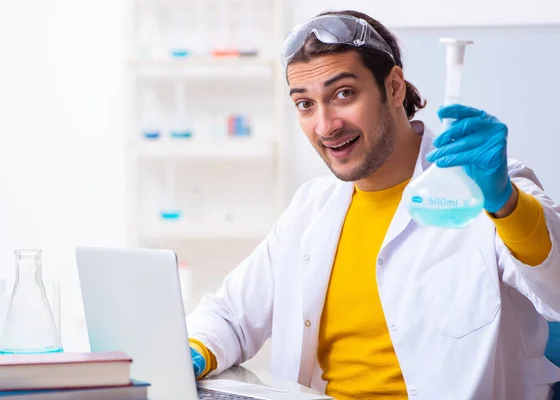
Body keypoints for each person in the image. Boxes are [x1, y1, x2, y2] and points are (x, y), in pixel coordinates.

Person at [186, 9, 560, 399]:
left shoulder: (491, 190)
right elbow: (231, 315)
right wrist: (191, 353)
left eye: (343, 94)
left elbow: (556, 288)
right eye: (305, 104)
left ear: (394, 87)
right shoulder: (311, 208)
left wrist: (503, 201)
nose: (326, 125)